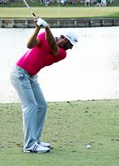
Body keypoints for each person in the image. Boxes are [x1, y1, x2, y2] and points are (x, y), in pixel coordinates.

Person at [10, 17, 78, 153]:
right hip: (20, 74)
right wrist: (38, 28)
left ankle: (36, 140)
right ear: (64, 39)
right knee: (30, 106)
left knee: (42, 105)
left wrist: (47, 27)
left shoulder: (62, 54)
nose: (71, 48)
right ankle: (29, 145)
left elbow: (53, 47)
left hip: (32, 77)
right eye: (70, 44)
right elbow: (29, 45)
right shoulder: (43, 35)